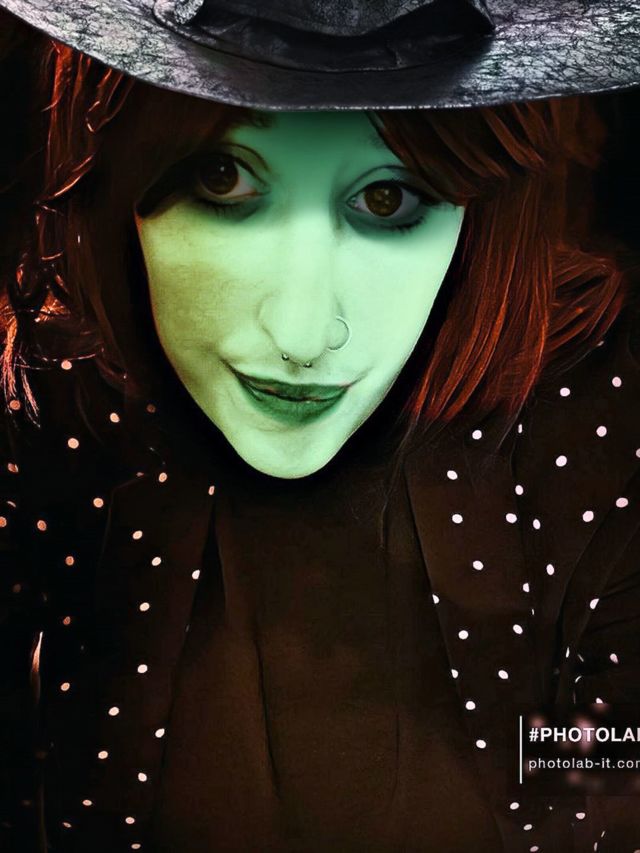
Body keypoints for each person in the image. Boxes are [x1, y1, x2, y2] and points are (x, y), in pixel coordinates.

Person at [0, 1, 640, 851]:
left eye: (386, 196)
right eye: (222, 178)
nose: (302, 334)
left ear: (477, 207)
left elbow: (614, 783)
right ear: (119, 171)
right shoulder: (57, 402)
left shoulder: (590, 415)